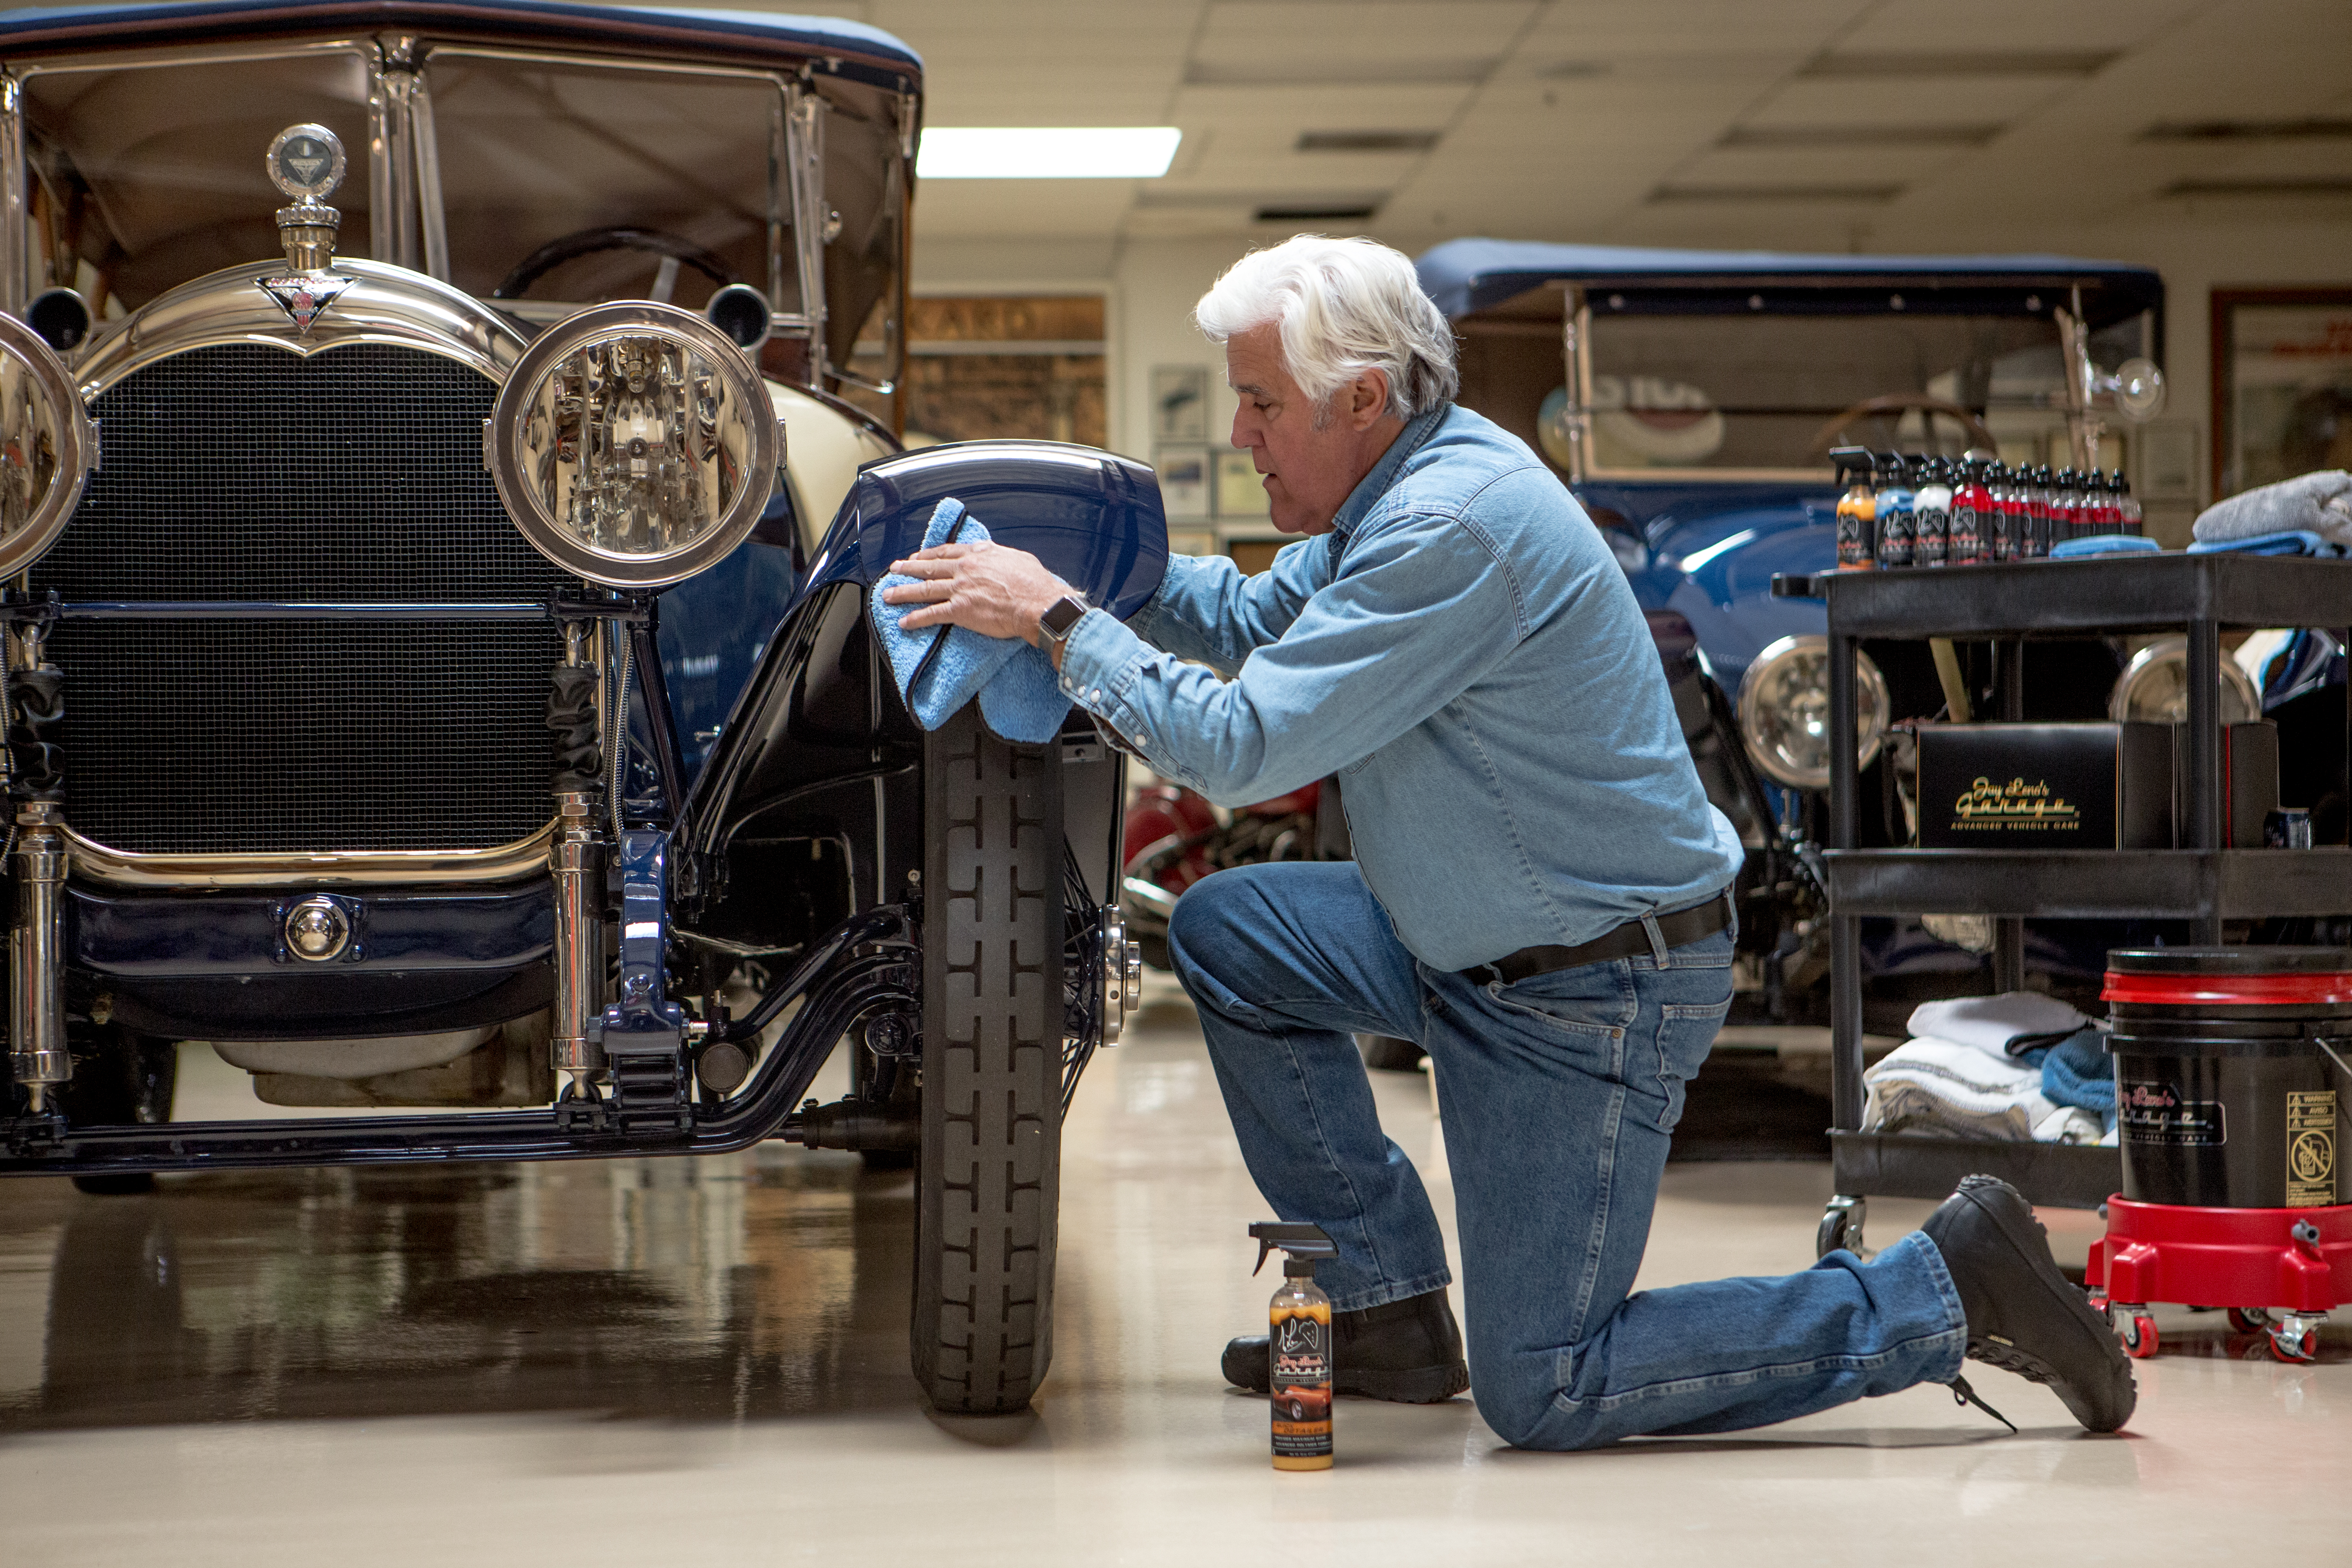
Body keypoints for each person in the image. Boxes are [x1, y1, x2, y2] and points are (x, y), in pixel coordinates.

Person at [879, 234, 2133, 1449]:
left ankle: (1943, 1291)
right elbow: (1250, 611)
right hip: (1470, 938)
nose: (1241, 434)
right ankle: (1381, 1310)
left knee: (1550, 1389)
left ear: (1362, 396)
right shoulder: (1397, 490)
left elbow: (1241, 746)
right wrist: (1088, 565)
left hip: (1592, 987)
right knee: (1228, 931)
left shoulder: (1451, 529)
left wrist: (1051, 619)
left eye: (1262, 405)